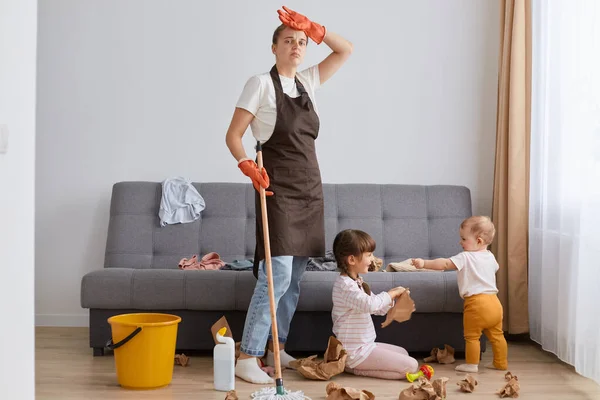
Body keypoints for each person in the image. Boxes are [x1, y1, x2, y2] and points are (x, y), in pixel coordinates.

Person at [225, 6, 353, 384]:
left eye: (301, 42)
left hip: (309, 190)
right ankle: (247, 355)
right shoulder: (259, 84)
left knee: (294, 279)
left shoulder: (307, 83)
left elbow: (345, 50)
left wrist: (315, 28)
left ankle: (274, 348)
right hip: (276, 188)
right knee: (275, 276)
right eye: (289, 41)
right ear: (274, 47)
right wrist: (246, 164)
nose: (297, 47)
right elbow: (234, 135)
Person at [412, 215, 508, 373]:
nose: (460, 242)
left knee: (472, 337)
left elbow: (444, 263)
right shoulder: (490, 257)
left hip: (476, 304)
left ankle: (471, 364)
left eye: (463, 239)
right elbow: (495, 268)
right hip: (495, 303)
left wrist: (424, 263)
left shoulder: (465, 257)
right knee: (497, 335)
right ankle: (500, 362)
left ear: (479, 241)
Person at [331, 229, 419, 379]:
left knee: (403, 352)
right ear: (352, 260)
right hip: (355, 352)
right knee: (411, 365)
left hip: (367, 346)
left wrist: (394, 299)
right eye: (369, 255)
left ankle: (354, 366)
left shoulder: (357, 282)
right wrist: (391, 293)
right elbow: (371, 305)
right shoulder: (345, 286)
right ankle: (353, 367)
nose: (372, 259)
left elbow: (378, 309)